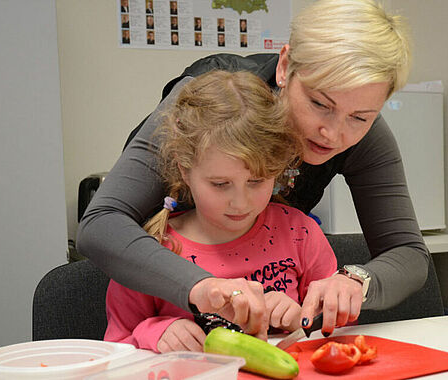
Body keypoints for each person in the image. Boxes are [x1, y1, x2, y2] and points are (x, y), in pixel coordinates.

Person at [78, 0, 429, 340]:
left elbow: (409, 255)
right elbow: (101, 224)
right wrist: (202, 286)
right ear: (285, 65)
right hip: (161, 301)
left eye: (360, 117)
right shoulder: (214, 107)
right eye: (320, 104)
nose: (335, 133)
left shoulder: (363, 137)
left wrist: (357, 280)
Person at [104, 70, 338, 352]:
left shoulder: (300, 235)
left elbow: (338, 332)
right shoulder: (150, 250)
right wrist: (153, 332)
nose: (240, 203)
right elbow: (115, 348)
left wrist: (301, 318)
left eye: (256, 181)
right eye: (220, 184)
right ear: (185, 170)